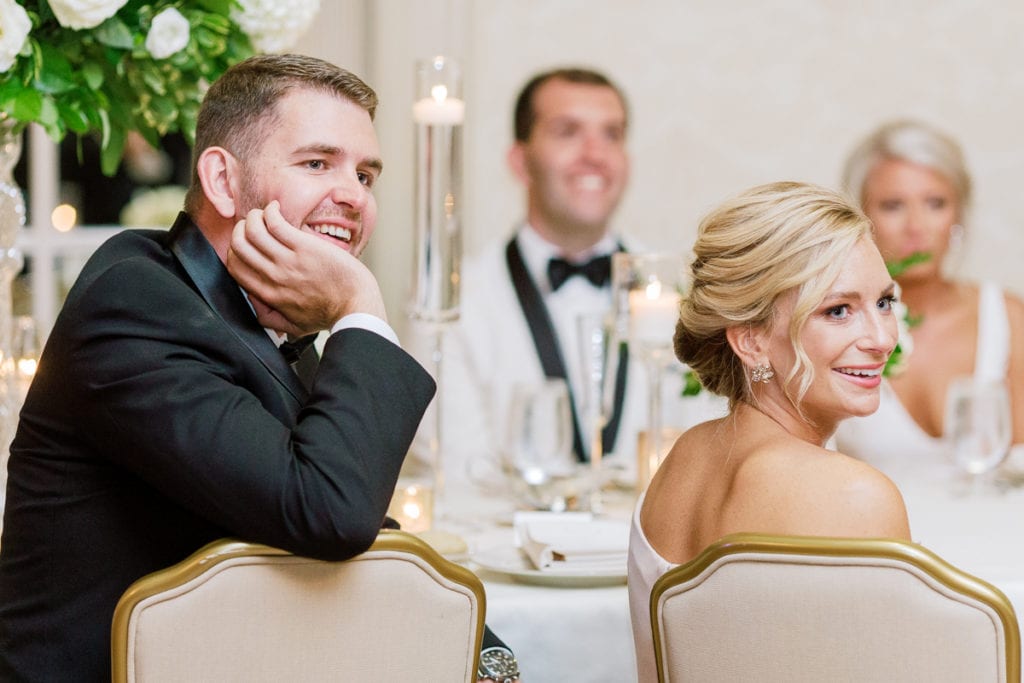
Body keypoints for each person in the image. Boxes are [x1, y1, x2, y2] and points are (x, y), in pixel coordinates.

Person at [0, 54, 447, 681]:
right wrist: (359, 306)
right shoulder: (135, 302)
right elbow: (330, 511)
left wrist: (488, 655)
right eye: (318, 163)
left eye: (367, 175)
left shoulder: (266, 320)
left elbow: (367, 523)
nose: (353, 195)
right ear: (223, 181)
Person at [627, 182, 912, 682]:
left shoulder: (681, 460)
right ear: (751, 341)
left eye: (884, 302)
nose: (883, 339)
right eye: (838, 310)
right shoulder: (853, 496)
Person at [410, 67, 721, 495]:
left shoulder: (685, 292)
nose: (595, 153)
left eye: (612, 134)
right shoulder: (452, 298)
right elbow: (459, 471)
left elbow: (709, 447)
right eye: (567, 132)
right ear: (521, 161)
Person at [834, 120, 1024, 485]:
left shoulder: (1007, 316)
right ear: (859, 217)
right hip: (875, 538)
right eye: (893, 206)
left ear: (958, 214)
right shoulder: (829, 324)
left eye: (935, 203)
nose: (917, 226)